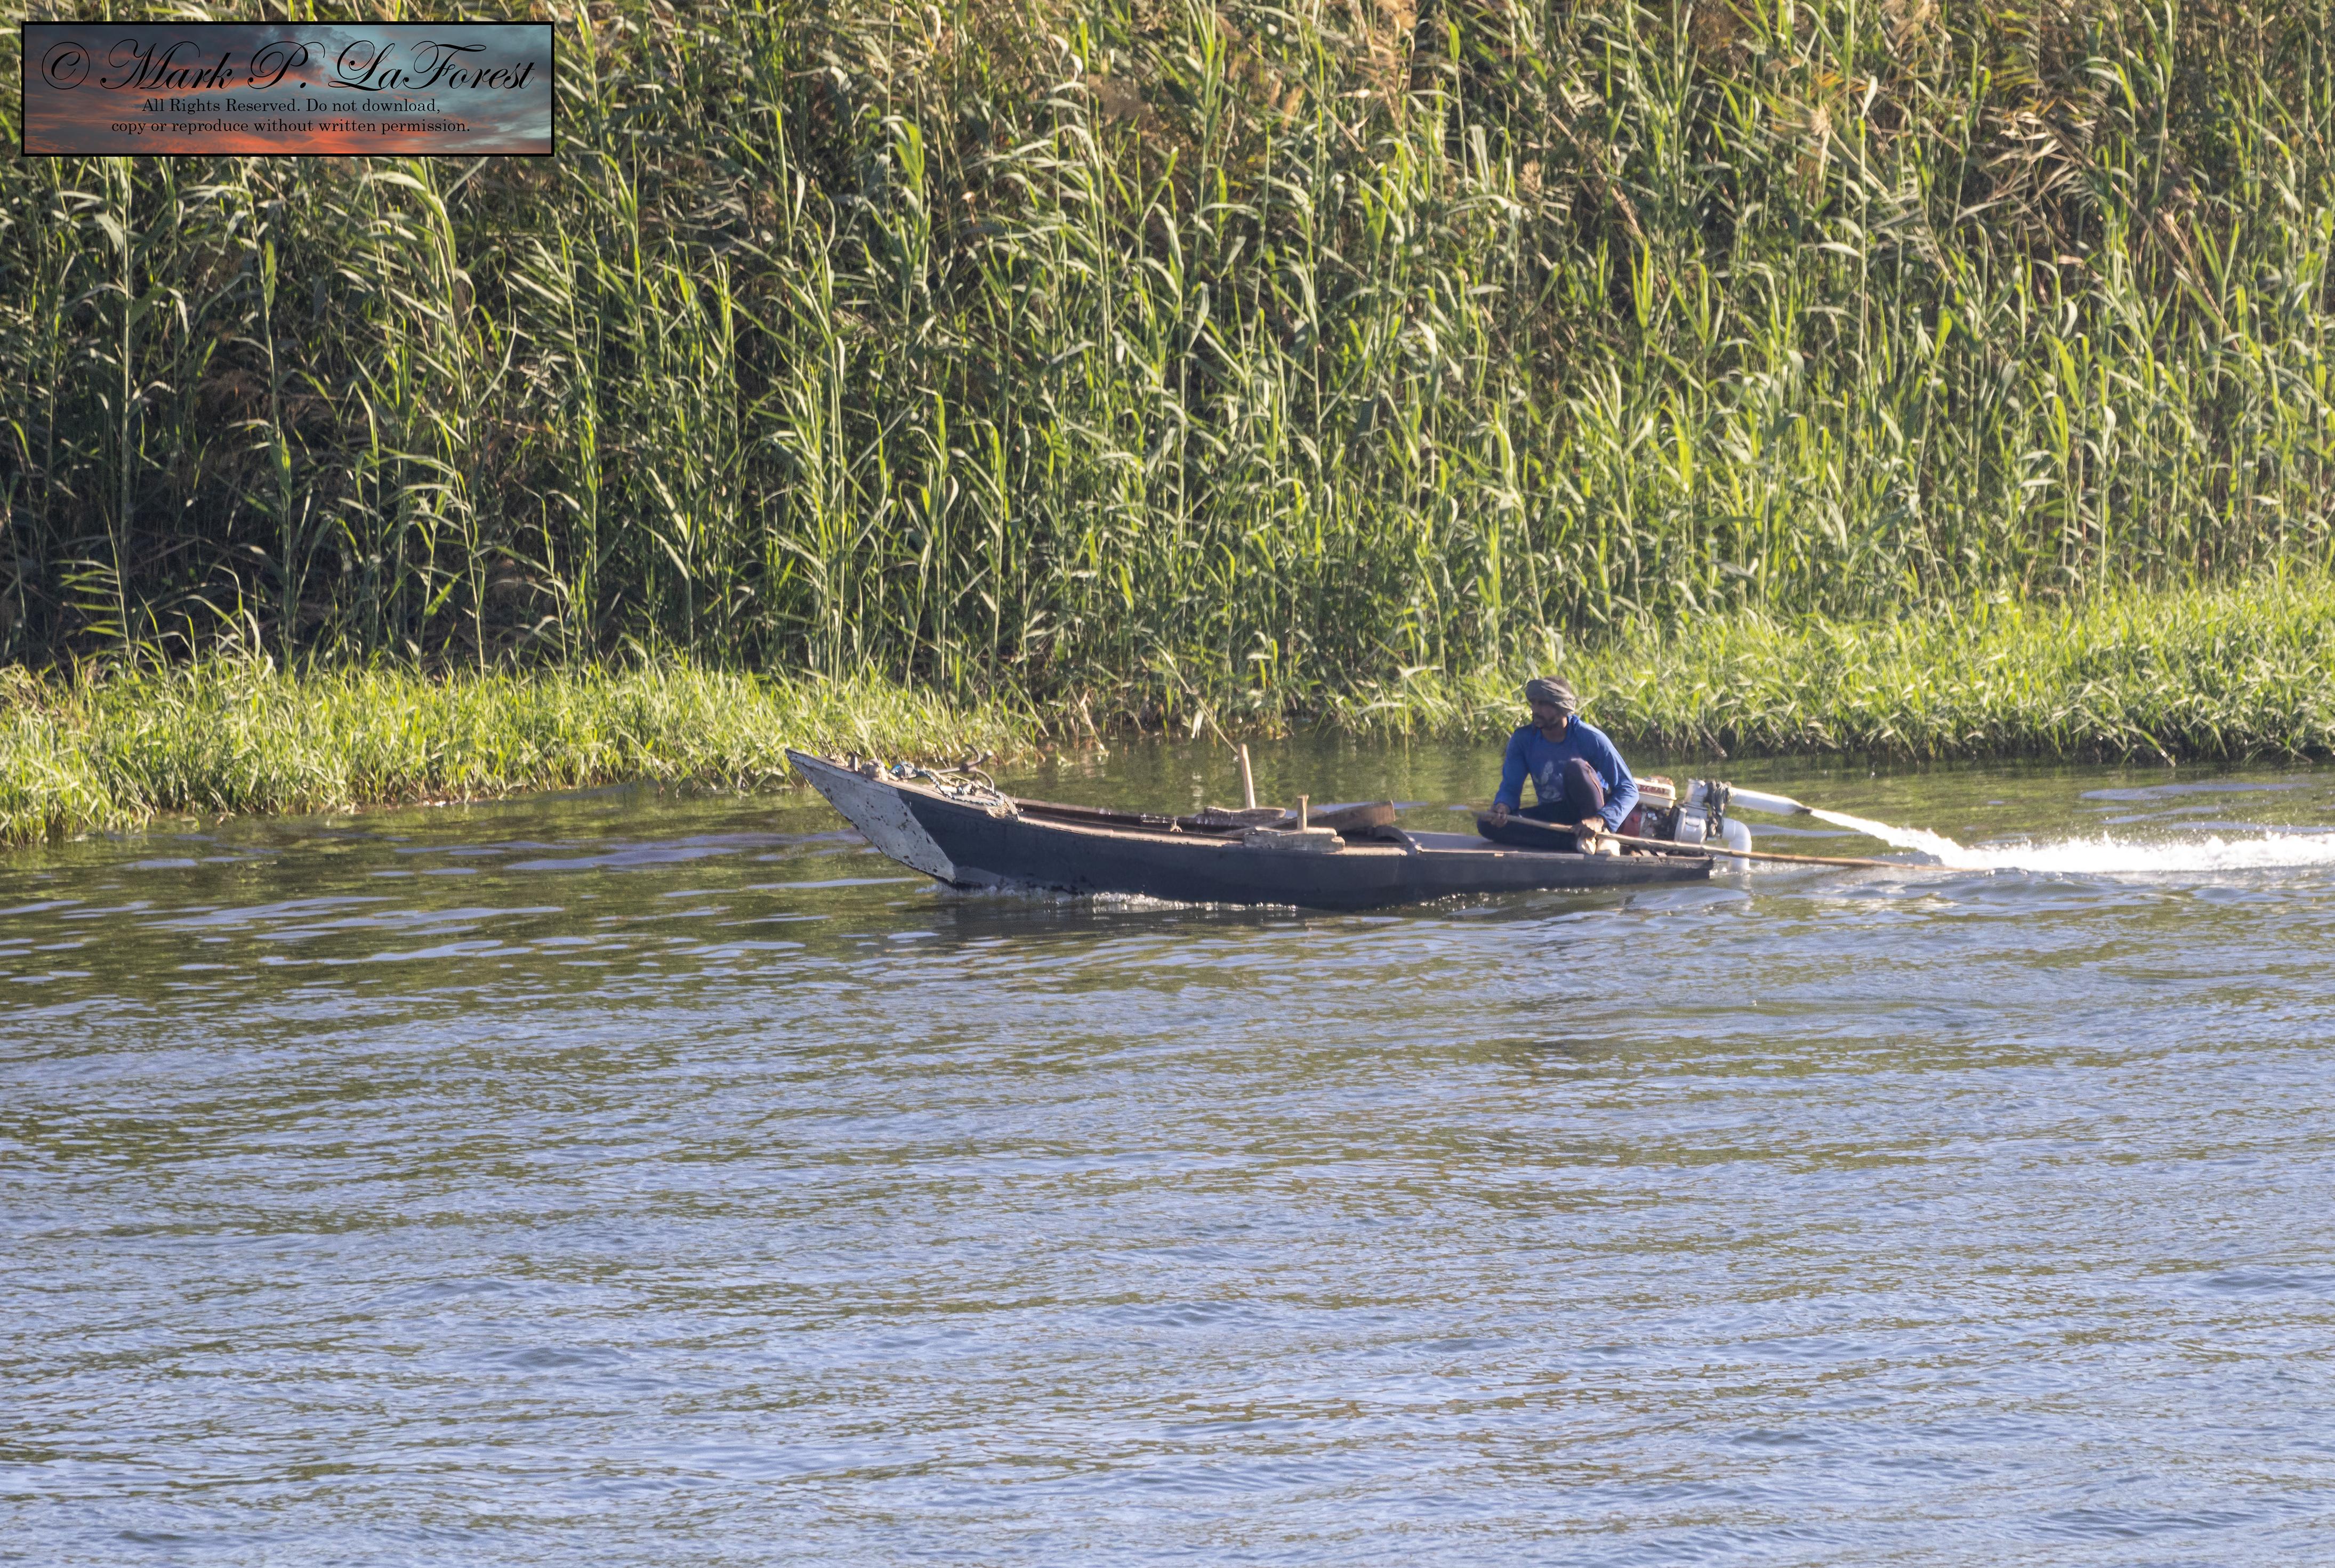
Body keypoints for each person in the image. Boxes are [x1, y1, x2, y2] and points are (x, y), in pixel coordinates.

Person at [1480, 677, 1638, 850]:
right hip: (1554, 813)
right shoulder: (1522, 740)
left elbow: (1628, 789)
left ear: (1562, 707)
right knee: (1487, 825)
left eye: (1543, 704)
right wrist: (1503, 807)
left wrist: (1600, 819)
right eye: (1533, 703)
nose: (1535, 710)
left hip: (1592, 814)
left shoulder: (1591, 738)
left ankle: (1599, 836)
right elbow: (1510, 788)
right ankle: (1574, 842)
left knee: (1576, 767)